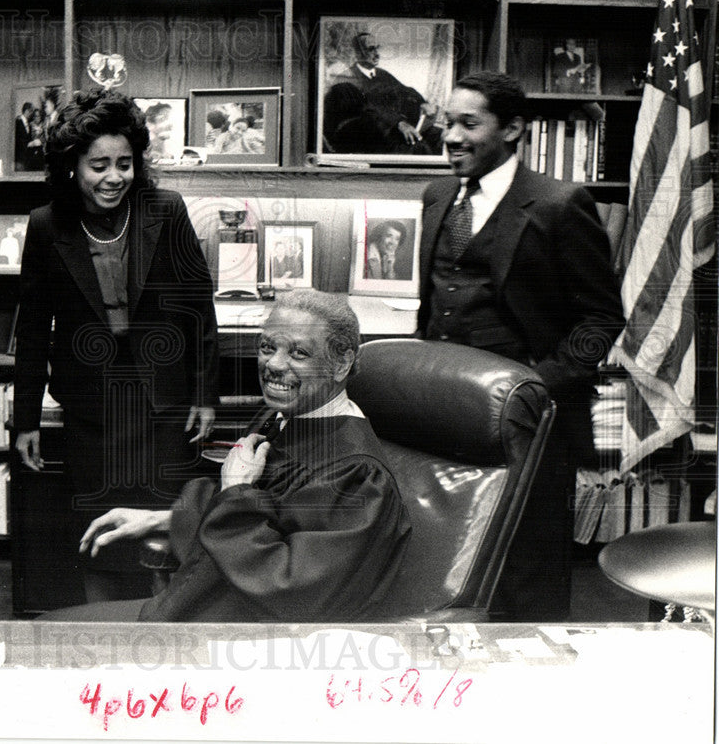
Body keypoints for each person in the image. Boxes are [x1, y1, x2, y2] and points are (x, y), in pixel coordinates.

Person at [417, 71, 624, 621]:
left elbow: (601, 320)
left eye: (469, 123)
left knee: (527, 568)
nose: (451, 137)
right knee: (449, 553)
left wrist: (538, 384)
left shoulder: (560, 204)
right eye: (447, 122)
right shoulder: (437, 196)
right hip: (447, 414)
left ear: (512, 129)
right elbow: (433, 304)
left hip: (534, 422)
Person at [71, 290, 411, 622]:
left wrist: (236, 492)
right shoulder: (281, 418)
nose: (274, 364)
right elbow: (261, 513)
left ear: (341, 363)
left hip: (252, 642)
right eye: (267, 347)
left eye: (299, 354)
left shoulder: (358, 476)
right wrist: (164, 519)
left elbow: (295, 592)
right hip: (212, 604)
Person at [14, 88, 219, 602]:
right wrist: (25, 421)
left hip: (163, 404)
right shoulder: (45, 226)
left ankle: (166, 631)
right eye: (99, 165)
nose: (113, 178)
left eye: (124, 164)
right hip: (91, 410)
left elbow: (198, 307)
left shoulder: (166, 211)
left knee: (160, 537)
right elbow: (35, 328)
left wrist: (204, 394)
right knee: (100, 534)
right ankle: (107, 636)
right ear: (71, 167)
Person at [326, 31, 442, 156]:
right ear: (357, 53)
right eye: (371, 49)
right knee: (419, 148)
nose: (377, 54)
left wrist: (422, 103)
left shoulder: (381, 74)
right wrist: (398, 123)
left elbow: (405, 90)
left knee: (439, 135)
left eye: (377, 48)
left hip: (394, 129)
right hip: (374, 138)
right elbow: (367, 110)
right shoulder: (347, 78)